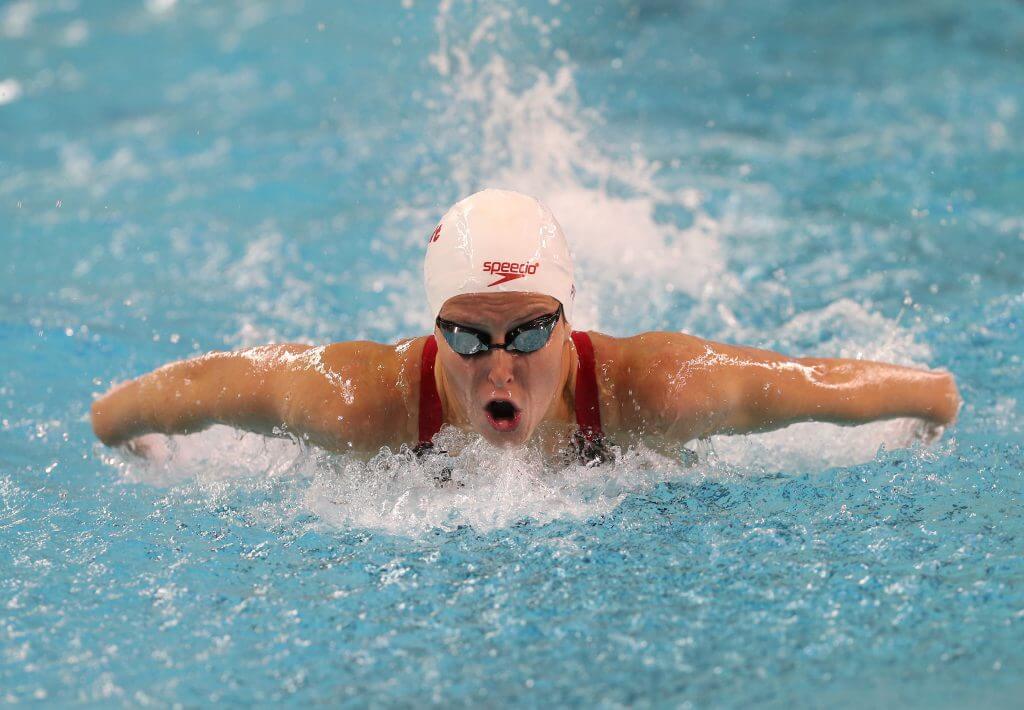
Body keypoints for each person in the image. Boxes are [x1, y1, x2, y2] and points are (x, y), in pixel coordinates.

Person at [90, 189, 961, 465]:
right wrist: (120, 428)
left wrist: (927, 402)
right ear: (432, 331)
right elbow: (203, 389)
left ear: (570, 324)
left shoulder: (656, 387)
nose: (497, 366)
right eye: (466, 338)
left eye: (529, 334)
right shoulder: (359, 400)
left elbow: (806, 386)